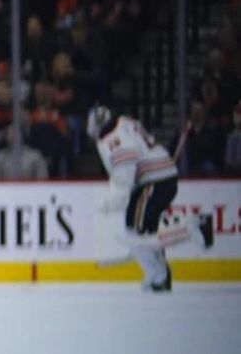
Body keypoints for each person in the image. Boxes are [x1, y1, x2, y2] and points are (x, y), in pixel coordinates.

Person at [87, 105, 213, 292]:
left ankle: (192, 228)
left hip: (154, 182)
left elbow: (125, 176)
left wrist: (107, 204)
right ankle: (158, 276)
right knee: (139, 230)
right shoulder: (124, 122)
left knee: (136, 234)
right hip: (159, 178)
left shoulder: (114, 141)